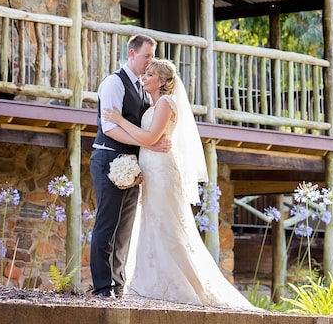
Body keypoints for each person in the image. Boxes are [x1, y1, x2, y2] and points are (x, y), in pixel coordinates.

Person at [102, 58, 259, 310]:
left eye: (150, 74)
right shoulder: (151, 105)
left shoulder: (166, 103)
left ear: (163, 81)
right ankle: (147, 284)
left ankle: (178, 285)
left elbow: (151, 136)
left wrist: (118, 120)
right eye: (145, 73)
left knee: (165, 224)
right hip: (150, 170)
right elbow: (150, 138)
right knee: (150, 224)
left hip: (163, 172)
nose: (144, 77)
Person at [89, 34, 170, 298]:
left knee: (124, 230)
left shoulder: (142, 88)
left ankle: (118, 286)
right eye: (147, 56)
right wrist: (147, 144)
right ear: (132, 54)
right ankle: (102, 287)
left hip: (133, 167)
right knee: (107, 224)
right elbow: (110, 128)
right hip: (109, 159)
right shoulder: (114, 82)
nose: (150, 62)